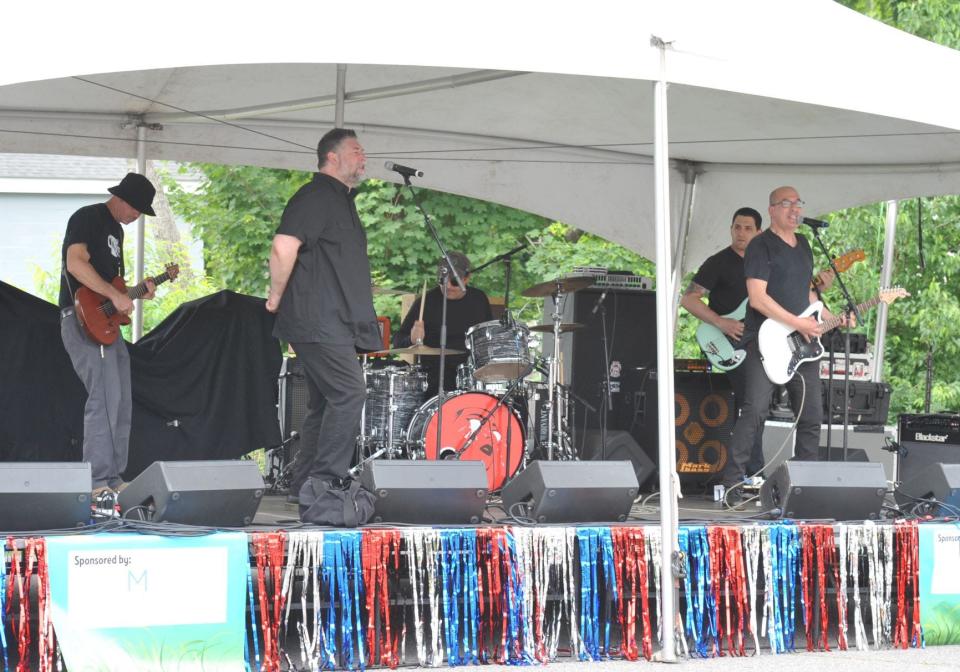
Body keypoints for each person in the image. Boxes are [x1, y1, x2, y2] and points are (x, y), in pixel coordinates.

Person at [266, 128, 381, 505]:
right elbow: (284, 246)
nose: (363, 157)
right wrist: (275, 297)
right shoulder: (315, 195)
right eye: (356, 150)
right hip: (318, 320)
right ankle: (326, 482)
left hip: (332, 319)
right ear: (332, 157)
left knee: (325, 402)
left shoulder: (343, 201)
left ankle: (304, 486)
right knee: (349, 392)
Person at [720, 186, 843, 503]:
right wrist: (798, 323)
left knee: (812, 415)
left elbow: (808, 295)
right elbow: (758, 298)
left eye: (797, 203)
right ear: (772, 209)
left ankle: (803, 487)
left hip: (801, 345)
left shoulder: (803, 244)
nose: (794, 209)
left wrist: (830, 316)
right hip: (766, 340)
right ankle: (733, 483)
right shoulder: (761, 246)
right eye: (786, 204)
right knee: (755, 410)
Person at [59, 172, 158, 498]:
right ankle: (96, 482)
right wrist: (114, 296)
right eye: (137, 209)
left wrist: (134, 292)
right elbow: (75, 264)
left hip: (105, 324)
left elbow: (113, 289)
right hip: (81, 318)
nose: (137, 216)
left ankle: (113, 478)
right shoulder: (88, 217)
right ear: (123, 198)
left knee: (121, 399)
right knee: (102, 398)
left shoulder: (116, 230)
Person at [681, 207, 767, 479]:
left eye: (747, 228)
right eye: (737, 227)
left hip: (760, 345)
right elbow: (689, 299)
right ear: (731, 229)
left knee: (758, 405)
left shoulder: (765, 265)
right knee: (753, 403)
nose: (741, 233)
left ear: (759, 232)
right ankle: (750, 473)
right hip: (727, 343)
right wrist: (721, 322)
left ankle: (751, 471)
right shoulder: (718, 262)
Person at [394, 252, 493, 397]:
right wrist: (411, 340)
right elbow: (397, 341)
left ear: (467, 278)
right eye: (442, 280)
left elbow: (488, 337)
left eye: (453, 281)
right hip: (434, 377)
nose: (448, 286)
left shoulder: (479, 299)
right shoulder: (426, 301)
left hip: (470, 375)